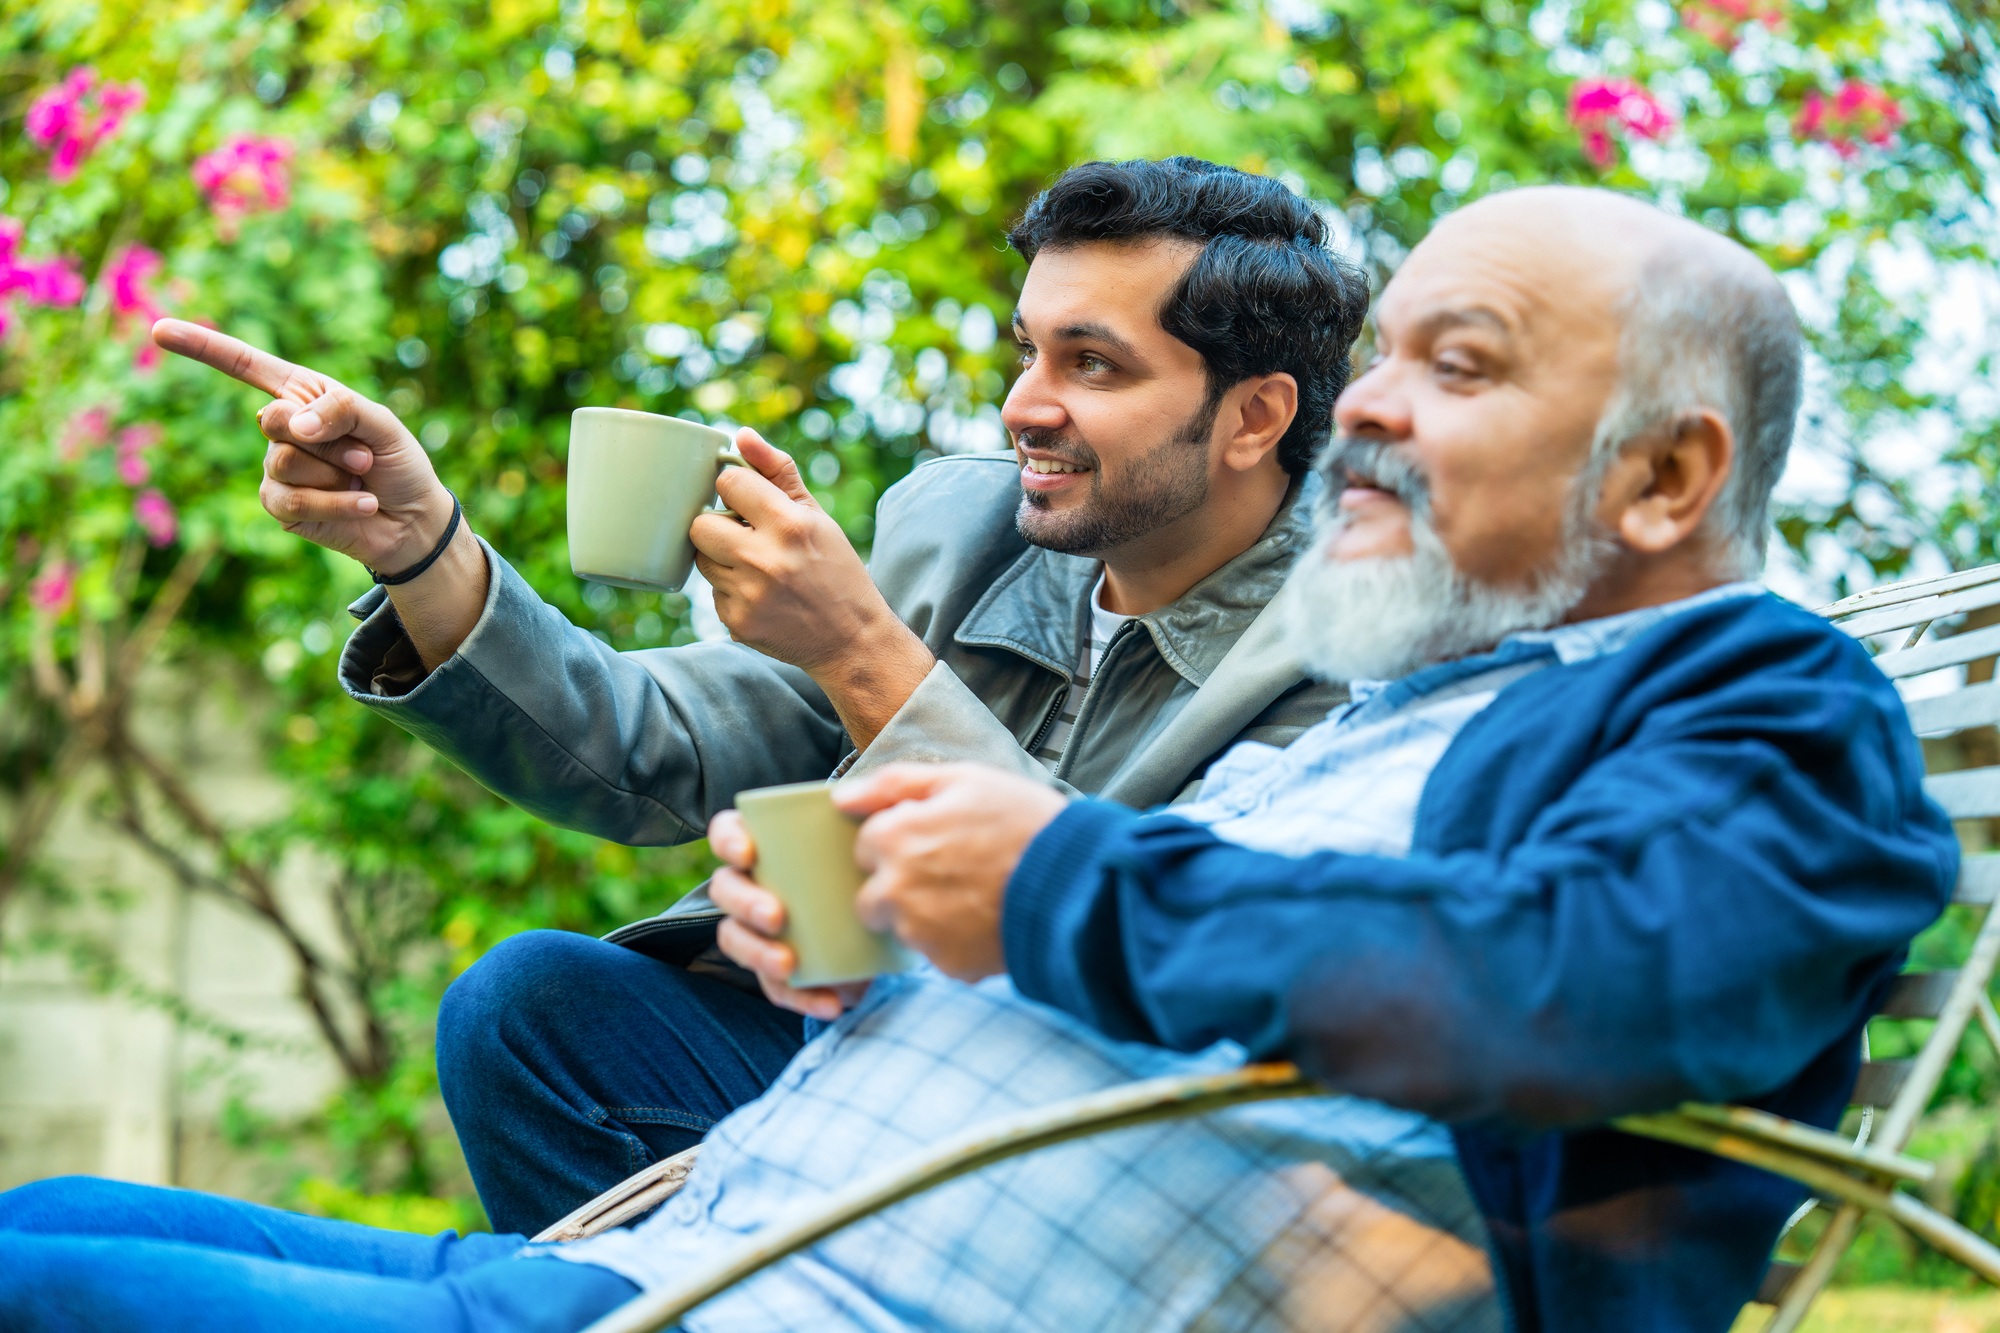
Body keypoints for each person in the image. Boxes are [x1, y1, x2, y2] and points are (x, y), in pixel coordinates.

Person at [0, 186, 1952, 1333]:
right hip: (717, 1234)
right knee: (52, 1227)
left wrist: (1020, 874)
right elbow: (663, 751)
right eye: (1394, 353)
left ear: (1672, 472)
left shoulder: (1758, 710)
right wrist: (887, 934)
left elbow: (1564, 982)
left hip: (807, 1297)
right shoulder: (1425, 701)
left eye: (1458, 363)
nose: (1375, 404)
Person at [149, 156, 1369, 1236]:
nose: (1021, 406)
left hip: (1079, 1142)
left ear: (1252, 415)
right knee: (529, 1006)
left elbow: (1175, 966)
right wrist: (421, 544)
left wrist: (860, 649)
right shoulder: (962, 527)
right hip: (844, 1047)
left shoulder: (1356, 651)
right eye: (1026, 348)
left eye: (1090, 363)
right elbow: (647, 750)